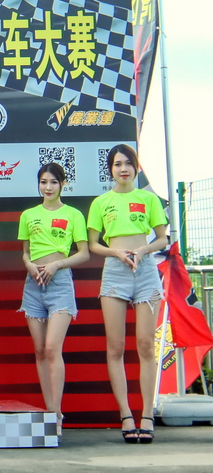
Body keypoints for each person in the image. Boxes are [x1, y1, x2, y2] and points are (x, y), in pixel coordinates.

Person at [88, 143, 168, 444]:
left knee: (146, 345)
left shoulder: (148, 199)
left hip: (145, 271)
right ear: (110, 169)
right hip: (115, 271)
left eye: (128, 163)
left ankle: (147, 415)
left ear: (136, 167)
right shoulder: (101, 202)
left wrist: (143, 250)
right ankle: (126, 415)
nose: (123, 169)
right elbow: (93, 244)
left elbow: (162, 239)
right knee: (116, 347)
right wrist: (117, 253)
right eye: (117, 164)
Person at [18, 163, 90, 436]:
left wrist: (58, 264)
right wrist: (28, 265)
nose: (48, 187)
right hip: (33, 284)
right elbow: (25, 252)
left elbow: (84, 253)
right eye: (43, 182)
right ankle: (49, 413)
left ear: (63, 184)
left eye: (53, 182)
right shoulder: (28, 215)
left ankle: (57, 413)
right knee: (39, 350)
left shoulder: (73, 214)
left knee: (51, 348)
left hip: (60, 284)